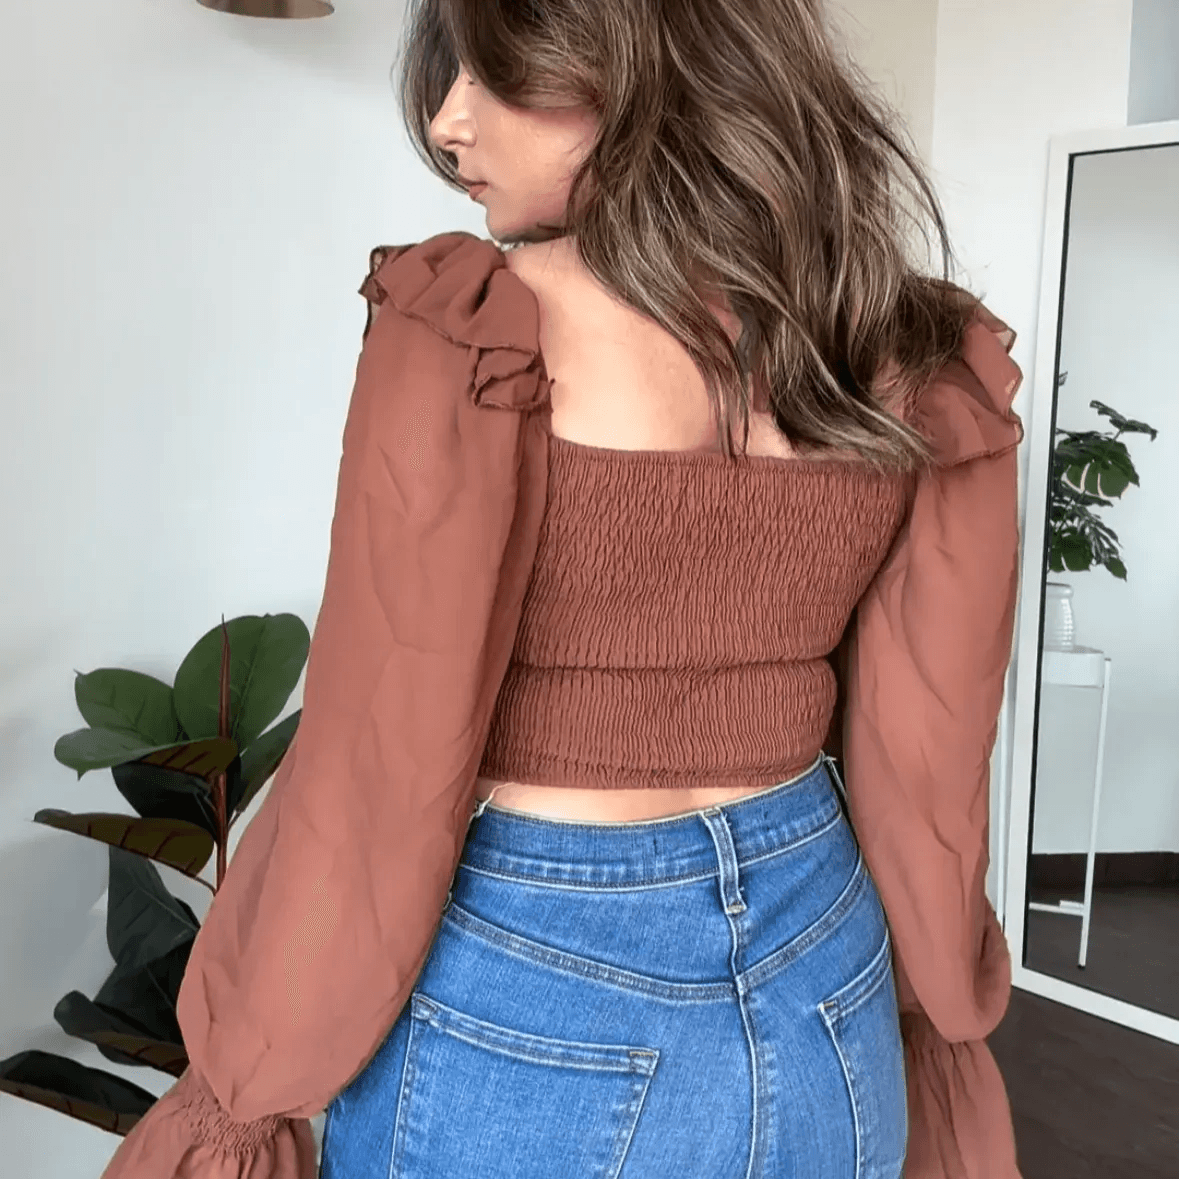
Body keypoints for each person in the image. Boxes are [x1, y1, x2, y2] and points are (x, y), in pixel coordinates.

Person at [100, 0, 1024, 1176]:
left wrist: (250, 1073)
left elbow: (375, 760)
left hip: (540, 973)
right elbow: (932, 746)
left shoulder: (484, 331)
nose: (450, 122)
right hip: (826, 958)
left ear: (628, 52)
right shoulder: (891, 344)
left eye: (489, 71)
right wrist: (936, 982)